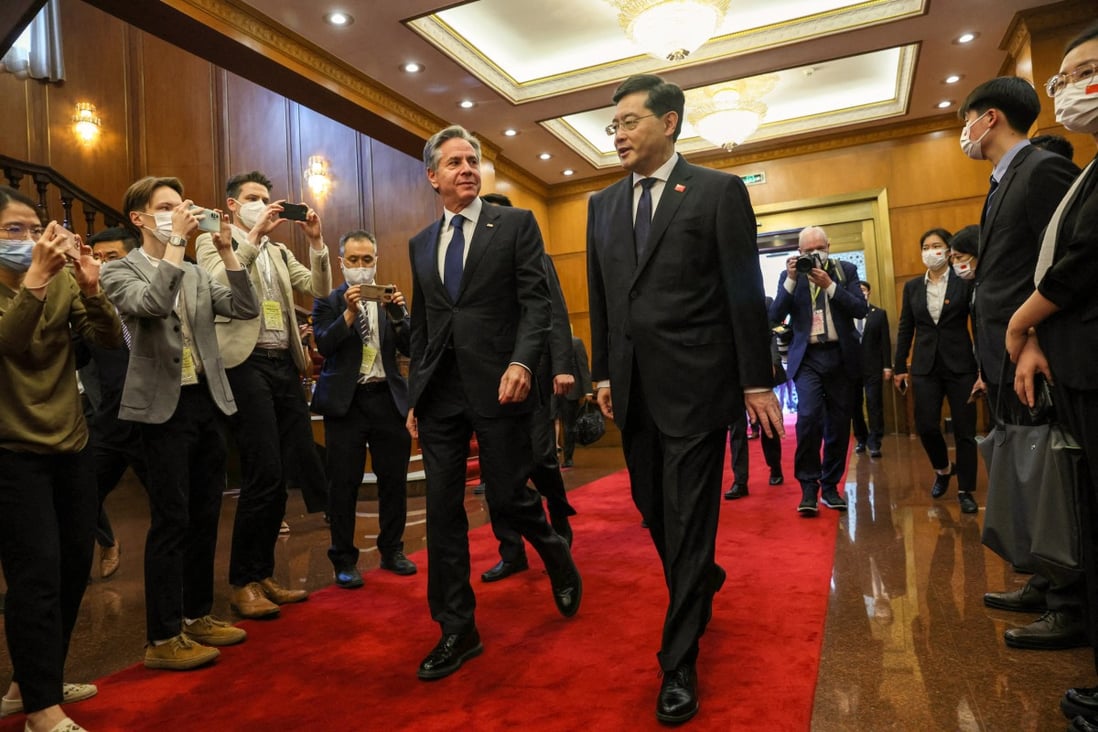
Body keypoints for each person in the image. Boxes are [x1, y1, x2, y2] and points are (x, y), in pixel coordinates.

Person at [586, 74, 783, 724]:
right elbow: (604, 297)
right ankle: (699, 578)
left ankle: (678, 665)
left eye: (630, 122)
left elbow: (742, 292)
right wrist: (604, 375)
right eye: (613, 125)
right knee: (653, 508)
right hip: (634, 384)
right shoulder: (602, 206)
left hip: (699, 386)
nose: (617, 135)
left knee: (692, 516)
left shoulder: (716, 193)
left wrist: (756, 381)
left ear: (669, 123)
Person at [406, 125, 582, 681]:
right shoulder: (418, 244)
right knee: (442, 511)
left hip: (503, 385)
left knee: (506, 497)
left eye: (472, 159)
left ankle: (552, 547)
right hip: (440, 397)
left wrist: (524, 363)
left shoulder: (515, 225)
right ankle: (457, 628)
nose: (466, 168)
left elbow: (537, 304)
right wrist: (415, 395)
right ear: (432, 177)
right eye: (453, 162)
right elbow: (423, 325)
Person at [100, 176, 259, 670]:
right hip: (160, 409)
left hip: (205, 401)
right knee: (171, 520)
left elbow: (245, 306)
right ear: (140, 218)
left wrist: (229, 252)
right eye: (166, 207)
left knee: (206, 514)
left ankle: (197, 615)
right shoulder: (118, 270)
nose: (179, 213)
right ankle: (162, 636)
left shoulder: (193, 270)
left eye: (181, 205)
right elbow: (150, 305)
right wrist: (173, 245)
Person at [958, 75, 1083, 649]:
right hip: (1002, 355)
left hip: (1032, 350)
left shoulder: (1041, 169)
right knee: (1026, 471)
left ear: (989, 118)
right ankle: (1042, 576)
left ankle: (1069, 601)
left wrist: (1028, 332)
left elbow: (1061, 262)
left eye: (965, 120)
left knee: (1051, 476)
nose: (963, 132)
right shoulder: (1001, 179)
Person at [0, 186, 121, 732]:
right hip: (11, 449)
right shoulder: (31, 283)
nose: (28, 239)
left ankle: (33, 680)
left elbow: (109, 340)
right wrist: (34, 281)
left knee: (74, 567)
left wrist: (93, 290)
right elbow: (11, 344)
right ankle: (41, 710)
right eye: (13, 230)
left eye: (33, 227)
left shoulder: (65, 280)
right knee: (36, 576)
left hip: (71, 440)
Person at [1006, 21, 1098, 729]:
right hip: (1067, 360)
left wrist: (1021, 321)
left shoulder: (1045, 168)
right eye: (1063, 77)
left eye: (1083, 72)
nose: (1067, 89)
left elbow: (1076, 261)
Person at [195, 170, 331, 619]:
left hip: (282, 364)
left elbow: (319, 290)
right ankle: (240, 583)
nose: (264, 203)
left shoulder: (279, 249)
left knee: (283, 473)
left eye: (267, 198)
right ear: (232, 205)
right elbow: (217, 283)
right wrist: (250, 235)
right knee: (263, 471)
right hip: (244, 362)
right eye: (253, 197)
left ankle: (263, 573)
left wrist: (315, 243)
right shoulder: (211, 238)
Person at [478, 191, 578, 580]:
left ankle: (559, 521)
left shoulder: (536, 255)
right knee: (495, 469)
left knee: (539, 458)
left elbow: (553, 309)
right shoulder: (473, 262)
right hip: (487, 377)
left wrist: (562, 367)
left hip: (534, 373)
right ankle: (512, 550)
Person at [311, 229, 415, 589]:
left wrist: (399, 314)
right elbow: (323, 346)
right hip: (347, 404)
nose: (360, 266)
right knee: (343, 484)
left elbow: (412, 346)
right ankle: (343, 558)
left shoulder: (391, 299)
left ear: (376, 261)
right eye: (352, 260)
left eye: (366, 260)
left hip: (388, 399)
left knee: (393, 481)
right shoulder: (328, 301)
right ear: (341, 263)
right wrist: (350, 315)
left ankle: (392, 549)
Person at [771, 226, 867, 517]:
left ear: (828, 246)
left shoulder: (845, 270)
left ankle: (830, 487)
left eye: (819, 248)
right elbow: (774, 316)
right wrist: (789, 280)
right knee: (809, 418)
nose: (814, 254)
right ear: (799, 253)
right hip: (808, 358)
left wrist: (830, 286)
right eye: (808, 250)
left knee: (838, 424)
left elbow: (860, 309)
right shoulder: (791, 277)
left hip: (841, 356)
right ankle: (808, 488)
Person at [892, 229, 979, 515]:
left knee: (965, 430)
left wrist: (983, 366)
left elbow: (978, 323)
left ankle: (966, 489)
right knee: (926, 425)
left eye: (937, 246)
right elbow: (906, 327)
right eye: (926, 246)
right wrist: (899, 366)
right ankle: (943, 469)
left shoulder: (964, 282)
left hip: (961, 365)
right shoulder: (913, 287)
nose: (931, 251)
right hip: (924, 366)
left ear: (948, 249)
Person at [85, 227, 152, 580]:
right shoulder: (90, 306)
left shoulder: (149, 298)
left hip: (152, 421)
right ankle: (106, 541)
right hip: (110, 421)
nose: (104, 266)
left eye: (112, 258)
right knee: (81, 494)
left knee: (171, 507)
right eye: (98, 258)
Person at [851, 281, 891, 458]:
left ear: (869, 292)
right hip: (851, 368)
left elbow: (885, 343)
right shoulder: (845, 314)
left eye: (864, 290)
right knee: (855, 405)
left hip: (873, 366)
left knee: (874, 403)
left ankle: (875, 441)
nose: (861, 293)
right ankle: (861, 439)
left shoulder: (879, 314)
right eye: (858, 290)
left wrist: (887, 366)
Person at [558, 331, 592, 468]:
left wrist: (588, 391)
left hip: (570, 392)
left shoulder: (576, 343)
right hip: (552, 393)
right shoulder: (549, 344)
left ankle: (568, 457)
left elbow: (583, 367)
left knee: (568, 426)